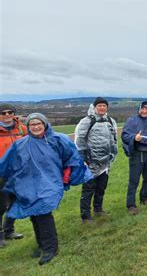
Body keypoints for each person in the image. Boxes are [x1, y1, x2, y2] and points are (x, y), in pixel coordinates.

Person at [0, 113, 93, 265]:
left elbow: (72, 157)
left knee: (43, 212)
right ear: (28, 127)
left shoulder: (58, 139)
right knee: (34, 214)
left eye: (39, 123)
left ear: (45, 124)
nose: (36, 127)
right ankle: (42, 245)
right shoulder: (21, 144)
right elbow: (7, 162)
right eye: (32, 124)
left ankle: (51, 248)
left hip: (51, 182)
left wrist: (67, 174)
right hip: (30, 184)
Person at [75, 97, 118, 223]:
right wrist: (83, 157)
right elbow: (80, 139)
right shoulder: (87, 121)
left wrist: (113, 153)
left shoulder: (110, 121)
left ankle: (98, 209)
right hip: (90, 162)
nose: (102, 108)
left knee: (101, 187)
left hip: (105, 163)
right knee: (88, 189)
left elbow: (114, 138)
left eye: (104, 106)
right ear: (94, 107)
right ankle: (85, 216)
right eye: (99, 105)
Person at [121, 101, 147, 215]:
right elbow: (124, 135)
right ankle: (131, 205)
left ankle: (144, 198)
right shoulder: (131, 121)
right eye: (142, 109)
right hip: (137, 154)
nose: (145, 111)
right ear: (139, 109)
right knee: (133, 181)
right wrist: (134, 138)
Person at [0, 104, 26, 248]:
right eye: (3, 113)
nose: (7, 115)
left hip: (19, 172)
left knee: (15, 202)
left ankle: (9, 230)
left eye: (10, 112)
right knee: (1, 205)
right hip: (1, 173)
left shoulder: (21, 129)